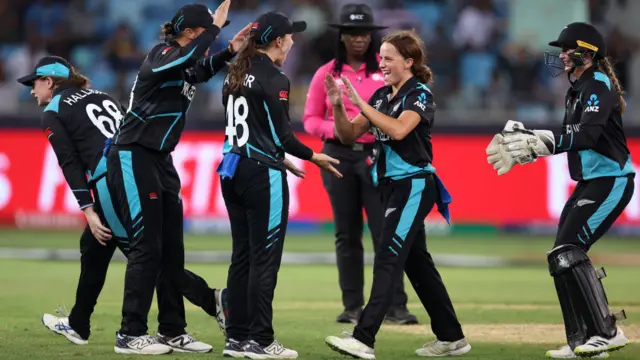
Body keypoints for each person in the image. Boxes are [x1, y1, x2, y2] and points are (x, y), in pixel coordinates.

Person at [17, 55, 228, 353]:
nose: (31, 90)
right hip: (136, 168)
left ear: (49, 82)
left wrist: (88, 209)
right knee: (93, 249)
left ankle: (210, 302)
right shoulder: (100, 94)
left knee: (145, 256)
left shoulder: (53, 111)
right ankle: (78, 323)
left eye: (33, 83)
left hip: (110, 182)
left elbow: (69, 163)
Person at [104, 1, 248, 355]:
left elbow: (198, 71)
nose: (207, 42)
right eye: (202, 35)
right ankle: (130, 332)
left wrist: (228, 50)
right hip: (132, 153)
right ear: (189, 33)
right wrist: (217, 29)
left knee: (172, 251)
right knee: (147, 247)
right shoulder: (162, 53)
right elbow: (188, 61)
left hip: (160, 160)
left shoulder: (182, 64)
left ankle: (172, 330)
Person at [486, 22, 633, 359]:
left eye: (568, 49)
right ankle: (582, 339)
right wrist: (533, 142)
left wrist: (542, 143)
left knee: (569, 250)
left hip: (611, 180)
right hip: (592, 181)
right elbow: (573, 135)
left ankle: (607, 331)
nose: (562, 55)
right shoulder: (578, 88)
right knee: (561, 257)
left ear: (587, 51)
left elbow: (588, 136)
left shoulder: (597, 84)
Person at [323, 30, 471, 359]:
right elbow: (348, 135)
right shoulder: (381, 95)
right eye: (381, 57)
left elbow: (399, 129)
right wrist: (337, 107)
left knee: (388, 257)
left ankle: (363, 338)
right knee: (418, 265)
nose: (382, 63)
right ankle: (452, 336)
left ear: (409, 62)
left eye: (389, 58)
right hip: (393, 188)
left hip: (415, 185)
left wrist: (360, 103)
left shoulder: (419, 94)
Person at [216, 11, 342, 359]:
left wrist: (275, 153)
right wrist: (312, 156)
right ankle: (261, 340)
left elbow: (243, 129)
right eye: (290, 37)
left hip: (233, 168)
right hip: (261, 175)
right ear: (277, 41)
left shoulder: (233, 75)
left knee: (241, 258)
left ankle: (237, 338)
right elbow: (284, 136)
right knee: (265, 260)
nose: (293, 41)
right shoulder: (275, 78)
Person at [303, 3, 416, 325]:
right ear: (342, 37)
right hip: (338, 156)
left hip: (376, 155)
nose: (359, 40)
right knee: (347, 234)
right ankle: (352, 306)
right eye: (352, 34)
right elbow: (310, 119)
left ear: (372, 36)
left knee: (385, 232)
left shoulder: (385, 73)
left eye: (364, 34)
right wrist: (337, 130)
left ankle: (395, 306)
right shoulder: (326, 73)